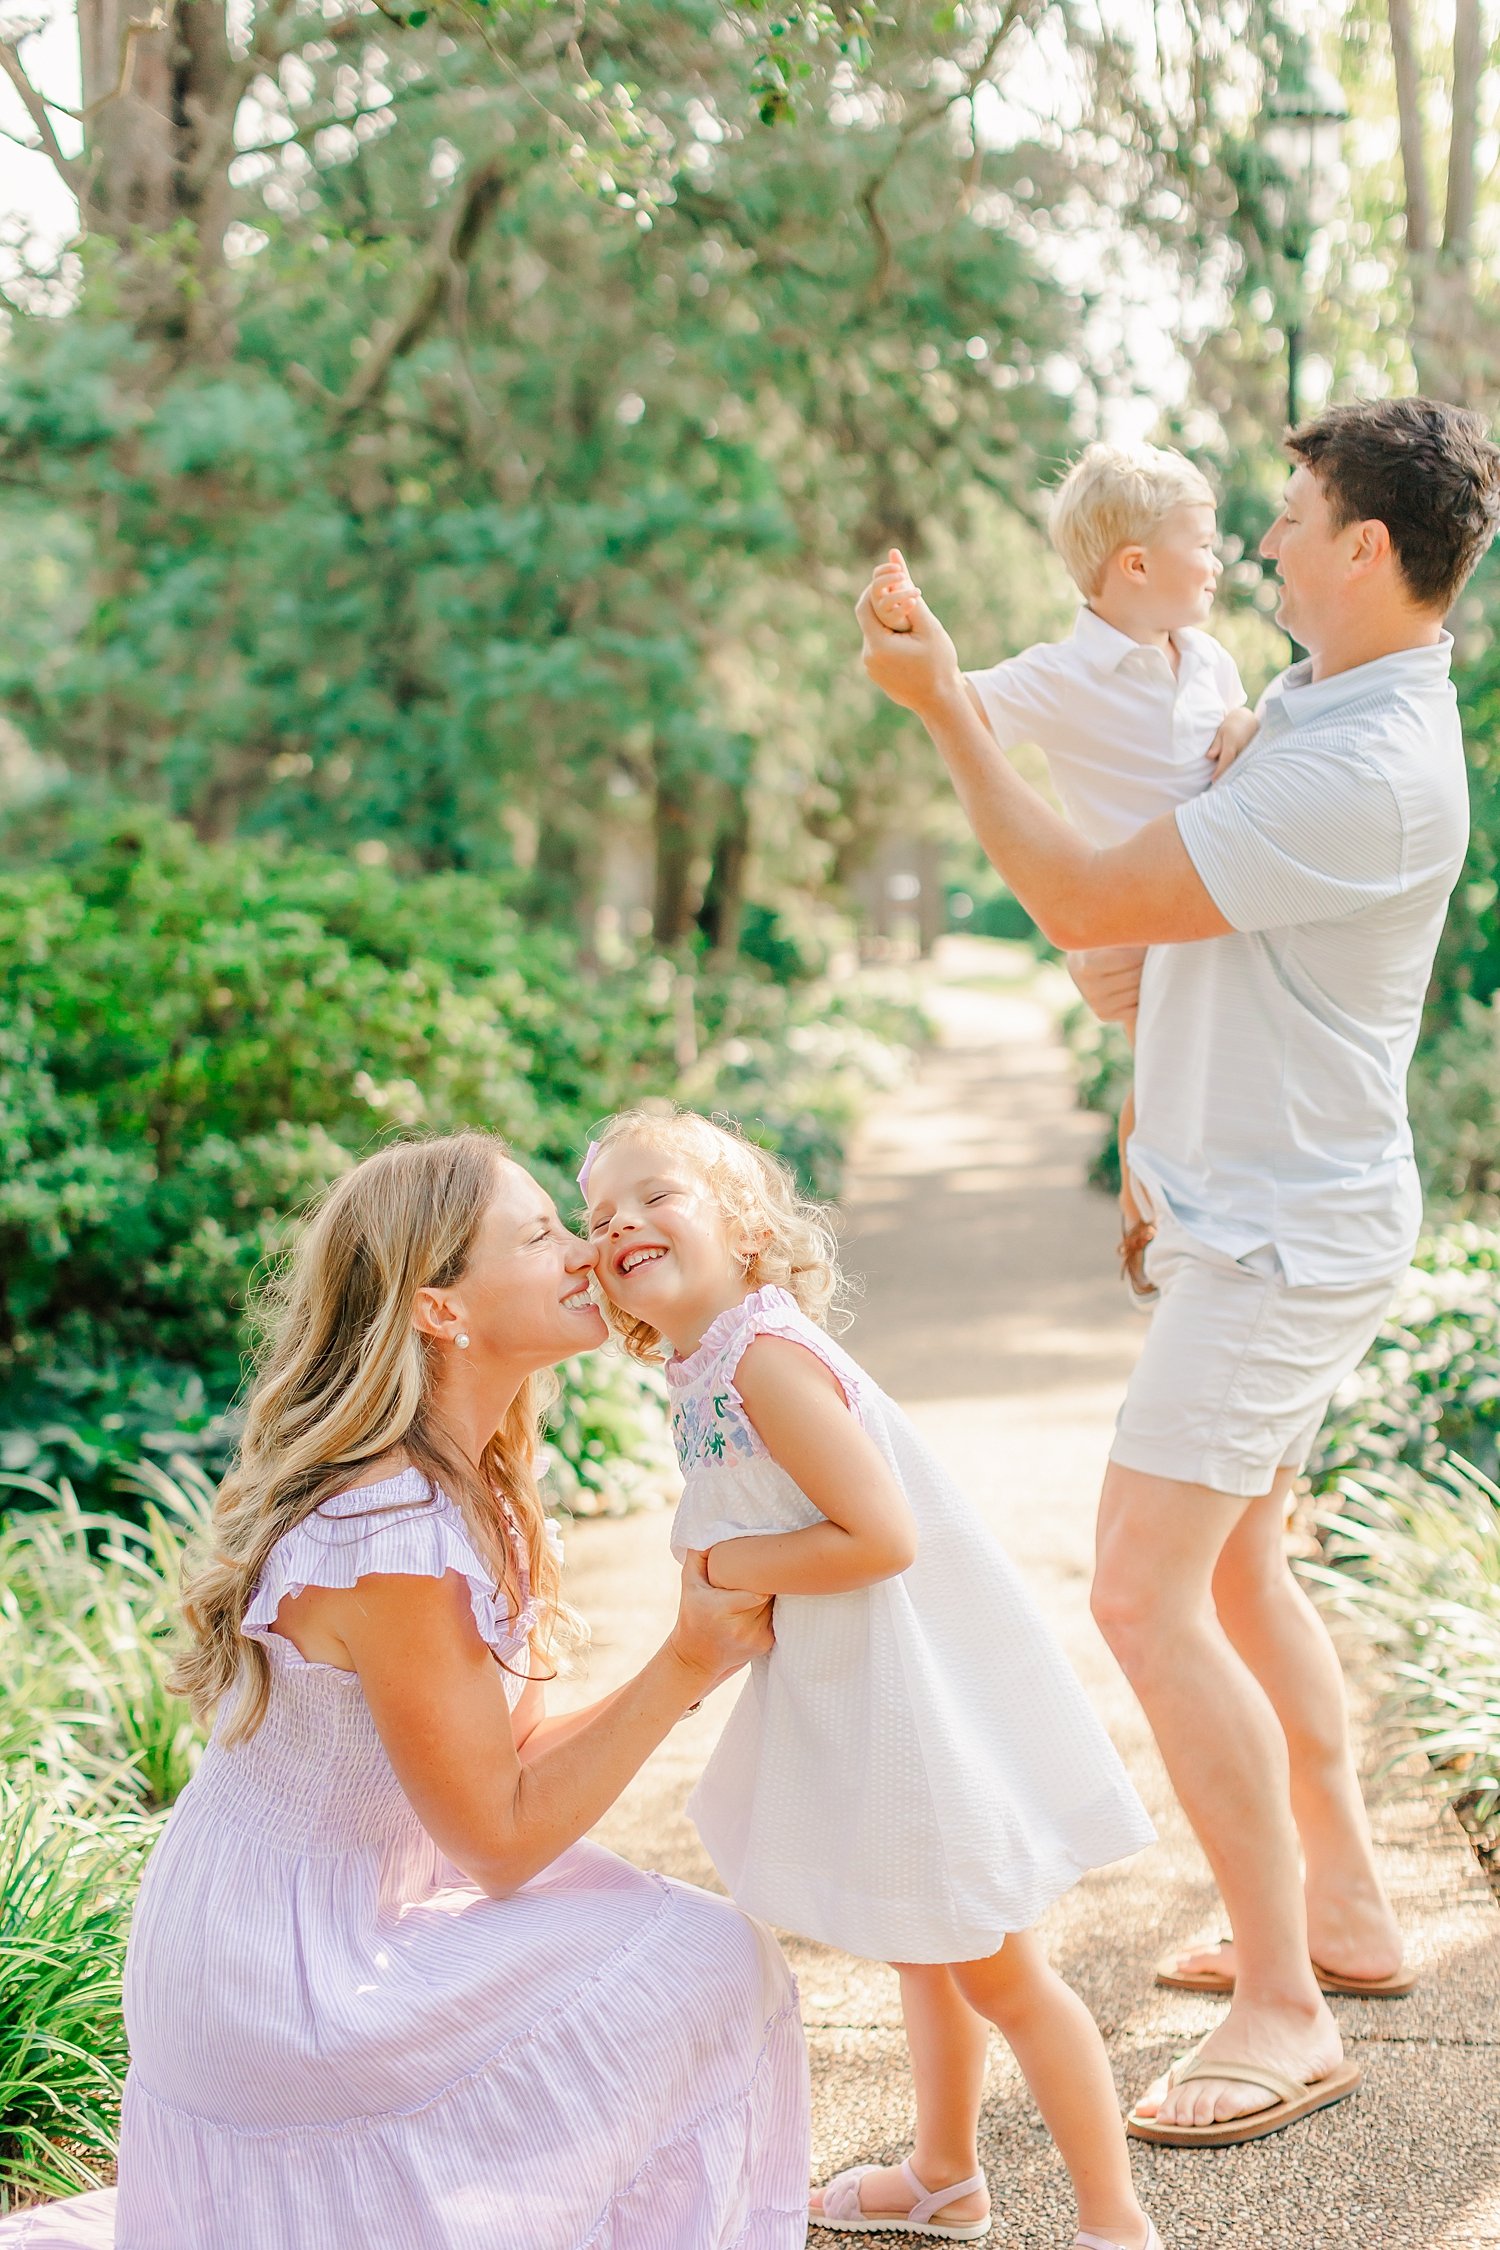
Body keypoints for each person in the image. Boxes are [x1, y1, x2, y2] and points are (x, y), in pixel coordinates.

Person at [855, 395, 1500, 2148]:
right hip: (1257, 1198)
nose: (1267, 538)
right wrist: (1156, 1071)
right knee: (1239, 1573)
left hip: (1284, 1237)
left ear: (1370, 549)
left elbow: (1076, 883)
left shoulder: (1358, 761)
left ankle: (1290, 2009)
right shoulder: (1314, 698)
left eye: (1290, 513)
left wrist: (942, 718)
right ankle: (1352, 1914)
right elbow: (1172, 935)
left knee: (1145, 1590)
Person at [0, 1132, 810, 2250]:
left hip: (335, 1916)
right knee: (703, 1964)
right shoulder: (393, 1535)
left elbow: (509, 1758)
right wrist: (687, 1657)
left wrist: (705, 1659)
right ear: (440, 1308)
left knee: (673, 1941)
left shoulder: (470, 1479)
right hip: (280, 1973)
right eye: (539, 1235)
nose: (586, 1250)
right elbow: (502, 1839)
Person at [581, 1107, 1160, 2250]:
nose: (623, 1224)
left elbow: (882, 1536)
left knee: (1001, 1974)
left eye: (659, 1196)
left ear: (745, 1229)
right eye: (599, 1216)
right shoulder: (709, 1363)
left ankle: (1116, 2223)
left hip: (914, 1712)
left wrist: (719, 1561)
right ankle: (945, 2175)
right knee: (928, 1945)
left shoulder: (764, 1359)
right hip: (865, 1699)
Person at [869, 442, 1259, 1299]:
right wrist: (916, 637)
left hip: (1214, 911)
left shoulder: (1210, 658)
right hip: (1139, 917)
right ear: (1136, 564)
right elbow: (956, 706)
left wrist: (1244, 719)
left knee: (1198, 1080)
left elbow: (1232, 726)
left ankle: (1181, 1223)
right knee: (1155, 1075)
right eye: (1202, 542)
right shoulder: (1061, 675)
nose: (1218, 559)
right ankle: (1143, 1229)